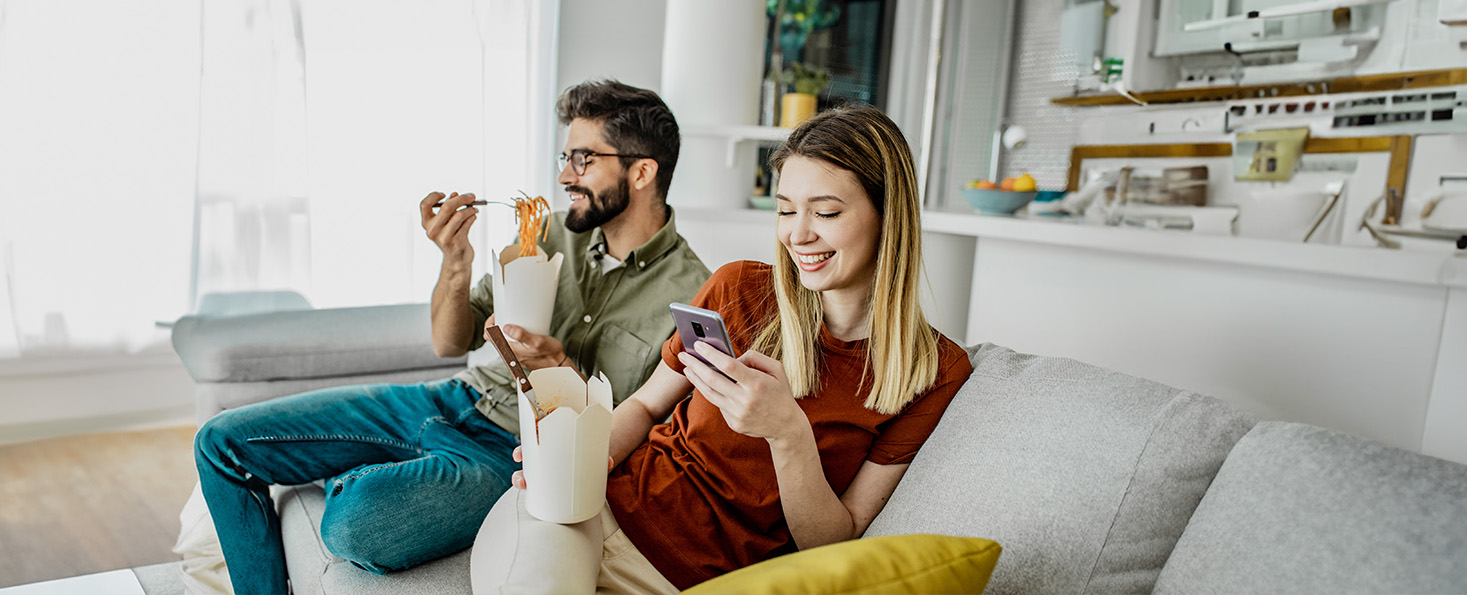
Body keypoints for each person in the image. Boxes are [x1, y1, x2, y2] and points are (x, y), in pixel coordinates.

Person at [193, 79, 710, 595]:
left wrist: (561, 372)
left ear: (642, 171)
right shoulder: (547, 232)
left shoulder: (692, 295)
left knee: (353, 523)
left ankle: (363, 472)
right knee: (220, 444)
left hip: (505, 451)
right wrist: (455, 264)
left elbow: (637, 430)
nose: (563, 175)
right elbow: (448, 342)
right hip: (449, 398)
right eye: (565, 156)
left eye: (583, 159)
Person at [470, 105, 975, 594]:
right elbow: (648, 405)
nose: (798, 234)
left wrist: (787, 433)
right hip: (593, 514)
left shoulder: (932, 370)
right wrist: (584, 456)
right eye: (785, 210)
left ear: (889, 216)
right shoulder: (740, 290)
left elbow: (836, 538)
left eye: (826, 212)